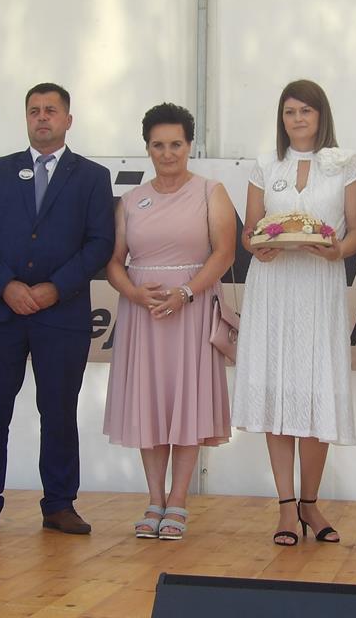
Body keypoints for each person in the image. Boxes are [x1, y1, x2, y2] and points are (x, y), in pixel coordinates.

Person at [0, 82, 114, 535]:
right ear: (26, 119)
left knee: (59, 411)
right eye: (34, 111)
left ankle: (60, 505)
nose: (42, 117)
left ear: (68, 119)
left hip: (62, 315)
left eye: (50, 110)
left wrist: (55, 289)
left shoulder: (92, 176)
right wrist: (5, 285)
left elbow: (99, 243)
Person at [232, 80, 356, 546]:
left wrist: (337, 251)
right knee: (277, 393)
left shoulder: (346, 164)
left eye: (305, 111)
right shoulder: (265, 164)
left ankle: (311, 503)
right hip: (273, 286)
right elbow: (250, 231)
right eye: (289, 112)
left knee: (315, 391)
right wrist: (256, 246)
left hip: (318, 285)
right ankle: (286, 507)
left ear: (321, 115)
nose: (297, 119)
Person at [103, 103, 235, 540]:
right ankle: (154, 499)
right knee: (150, 406)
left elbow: (224, 253)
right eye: (158, 145)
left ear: (189, 145)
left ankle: (178, 501)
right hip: (143, 316)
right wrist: (134, 293)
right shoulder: (130, 201)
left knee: (187, 405)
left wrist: (186, 293)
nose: (167, 153)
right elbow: (114, 261)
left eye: (176, 144)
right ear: (147, 148)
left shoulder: (211, 192)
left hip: (191, 311)